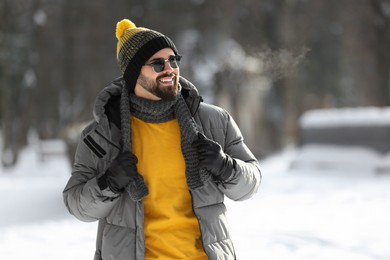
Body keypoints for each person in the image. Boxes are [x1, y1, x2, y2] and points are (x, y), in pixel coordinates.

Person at [63, 18, 261, 260]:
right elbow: (76, 205)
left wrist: (226, 166)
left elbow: (250, 184)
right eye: (157, 64)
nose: (170, 69)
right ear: (134, 72)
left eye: (174, 60)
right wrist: (109, 183)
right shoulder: (103, 134)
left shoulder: (213, 121)